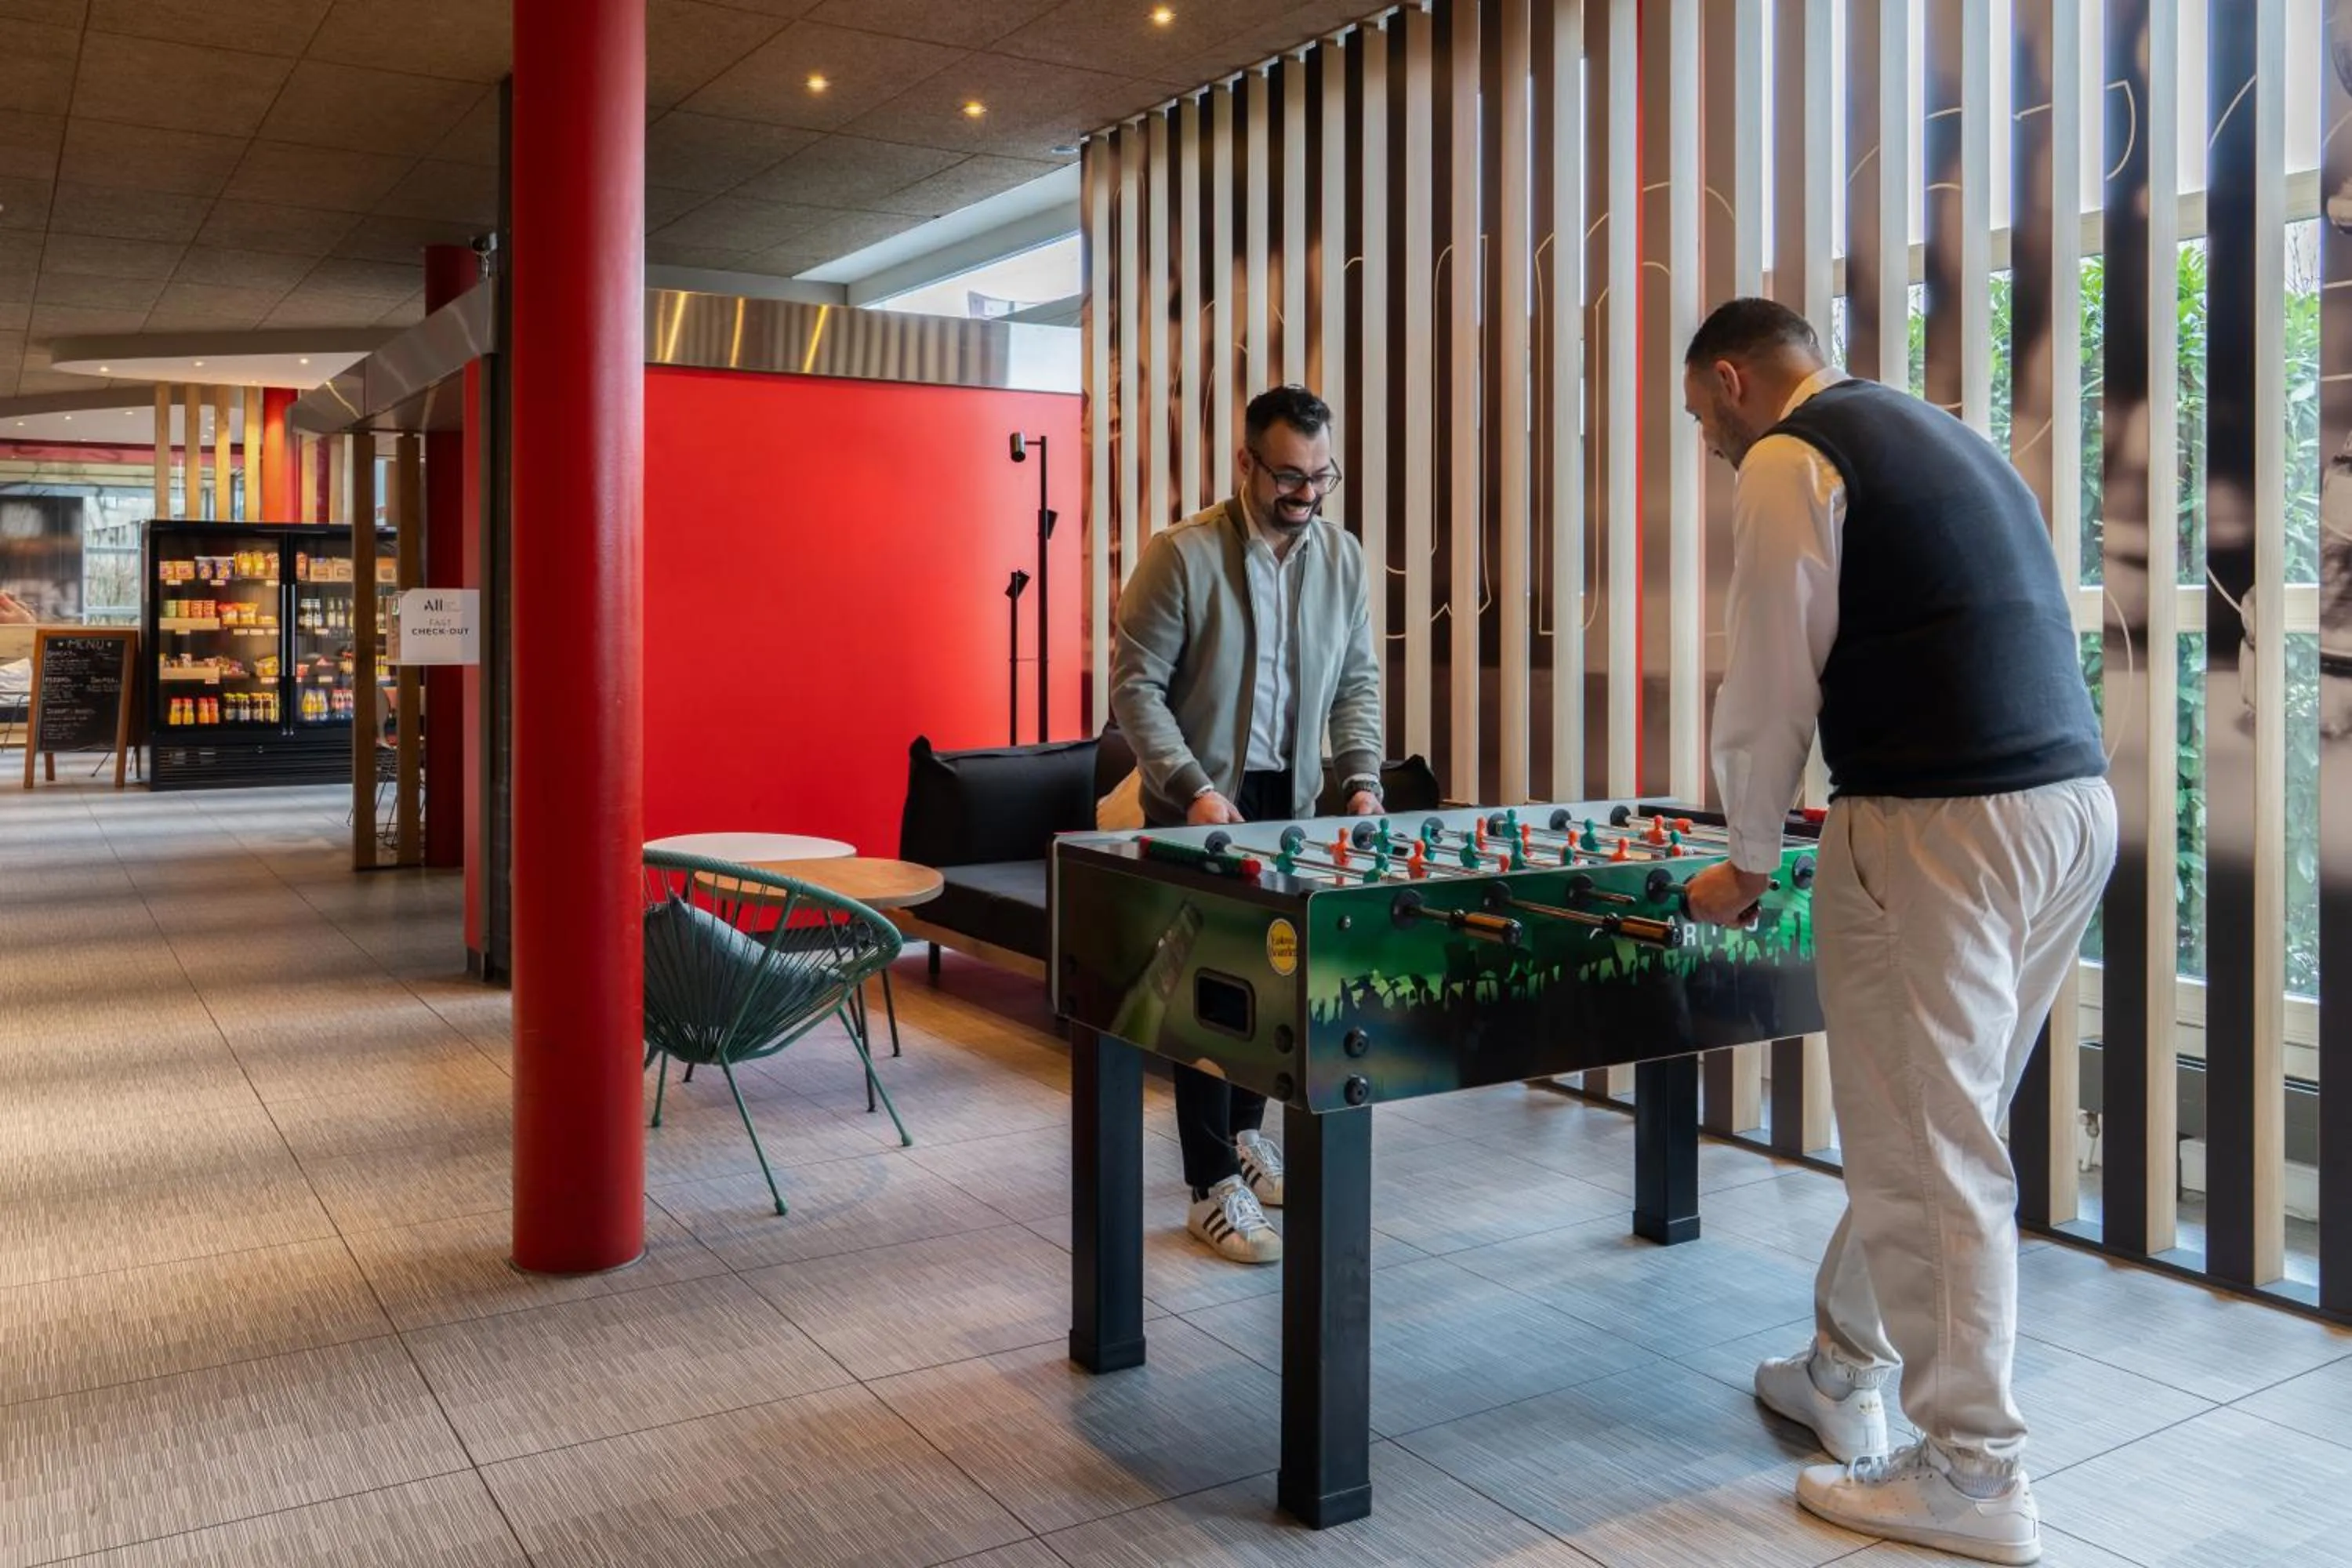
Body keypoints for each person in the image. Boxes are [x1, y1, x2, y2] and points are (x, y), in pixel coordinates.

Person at [1677, 298, 2116, 1566]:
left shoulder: (1790, 455)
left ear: (1732, 380)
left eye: (1701, 415)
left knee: (1929, 1138)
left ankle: (1972, 1471)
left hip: (1941, 823)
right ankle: (1840, 1364)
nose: (1706, 441)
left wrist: (1748, 860)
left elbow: (1768, 677)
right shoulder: (1945, 434)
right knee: (1941, 1116)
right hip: (2069, 807)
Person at [1110, 383, 1384, 1265]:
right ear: (1246, 465)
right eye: (1287, 476)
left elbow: (1356, 685)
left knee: (1272, 989)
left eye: (1320, 475)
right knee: (1204, 1001)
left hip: (1292, 807)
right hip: (1199, 808)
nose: (1304, 493)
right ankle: (1207, 1186)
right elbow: (1136, 687)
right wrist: (1190, 785)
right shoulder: (1180, 556)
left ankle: (1243, 1139)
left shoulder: (1341, 560)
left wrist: (1363, 778)